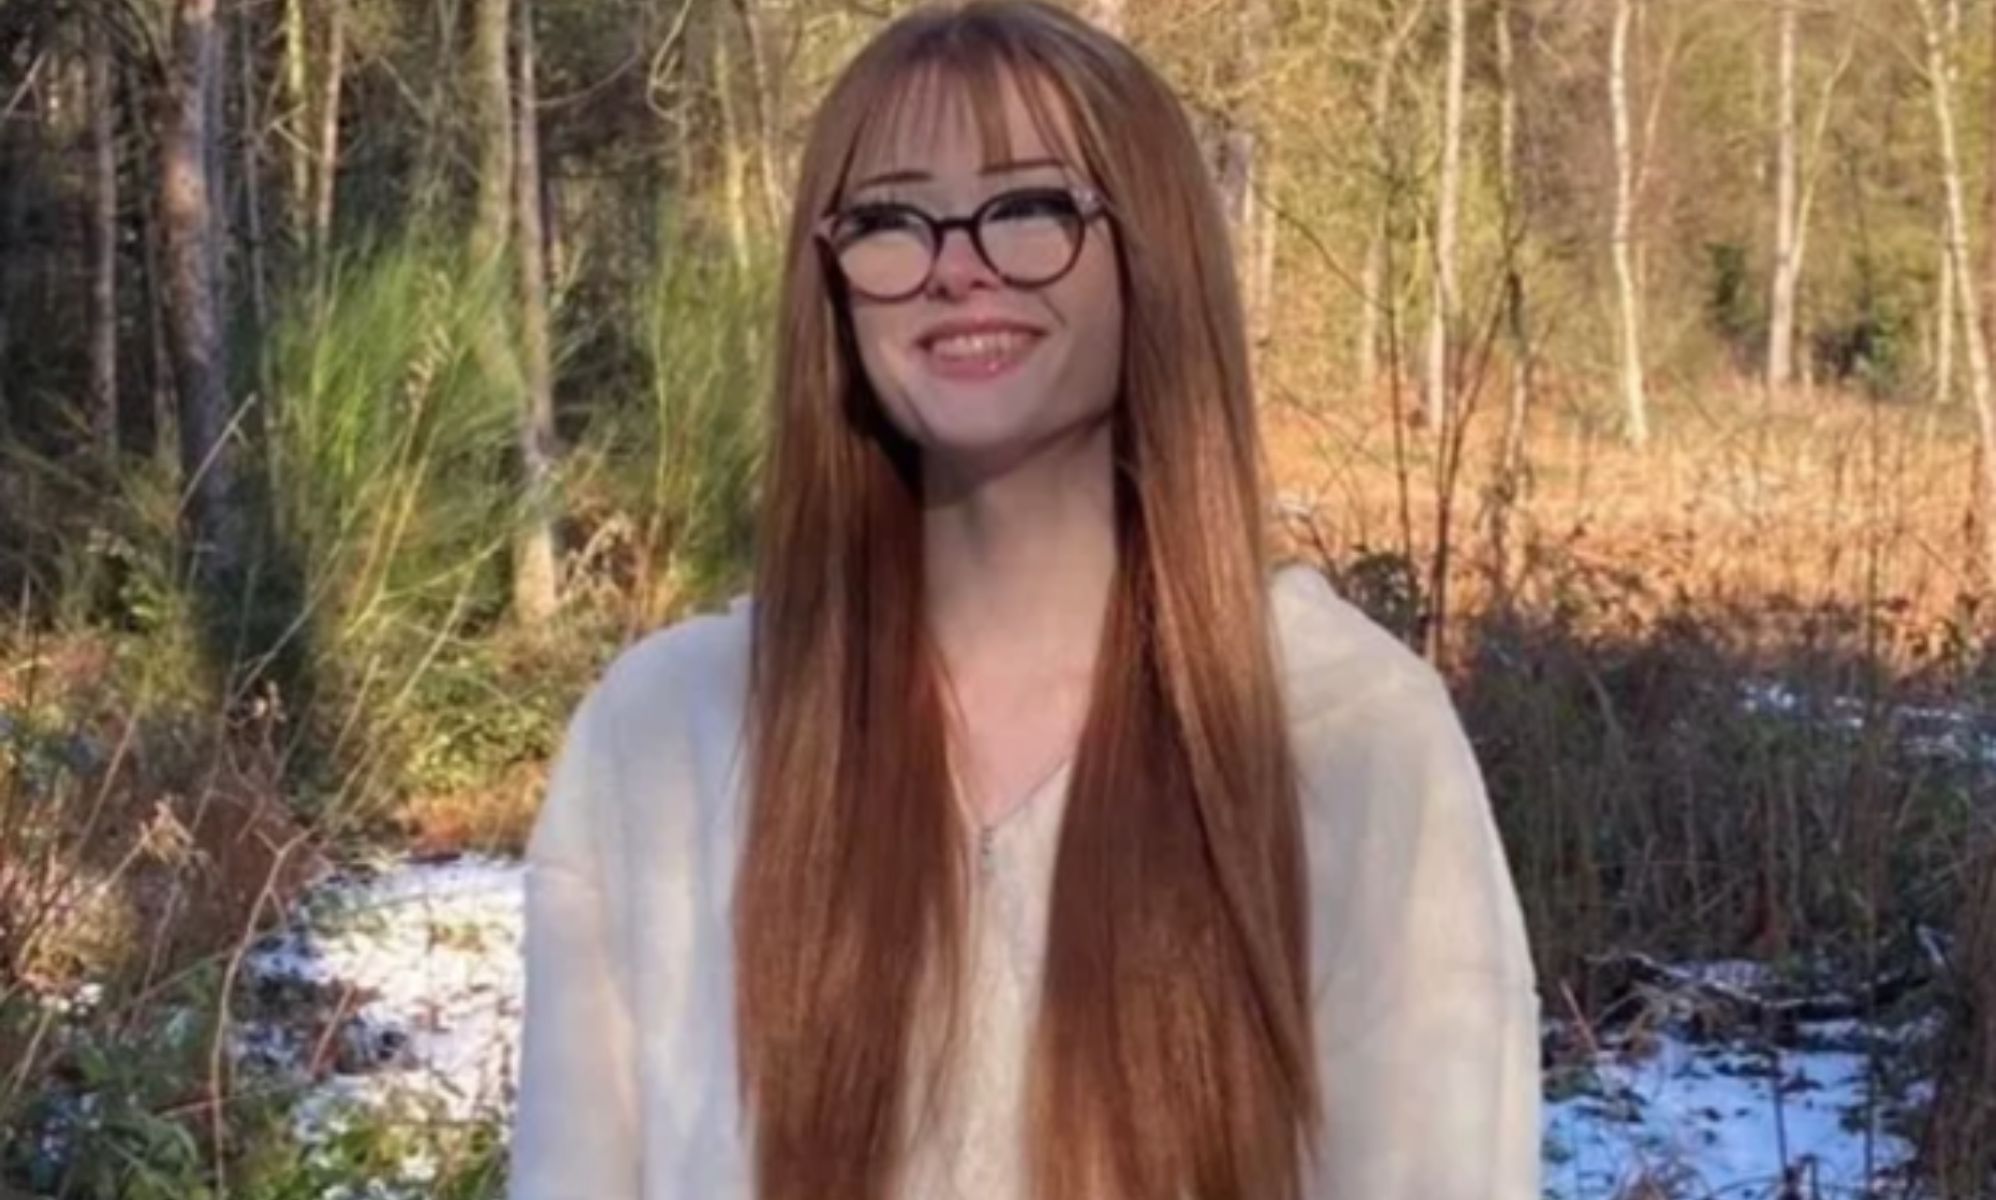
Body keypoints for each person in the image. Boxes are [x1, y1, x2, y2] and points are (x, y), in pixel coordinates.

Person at [507, 2, 1540, 1197]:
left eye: (1031, 206)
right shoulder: (661, 744)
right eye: (889, 218)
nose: (957, 267)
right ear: (831, 285)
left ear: (1151, 253)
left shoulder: (1349, 734)